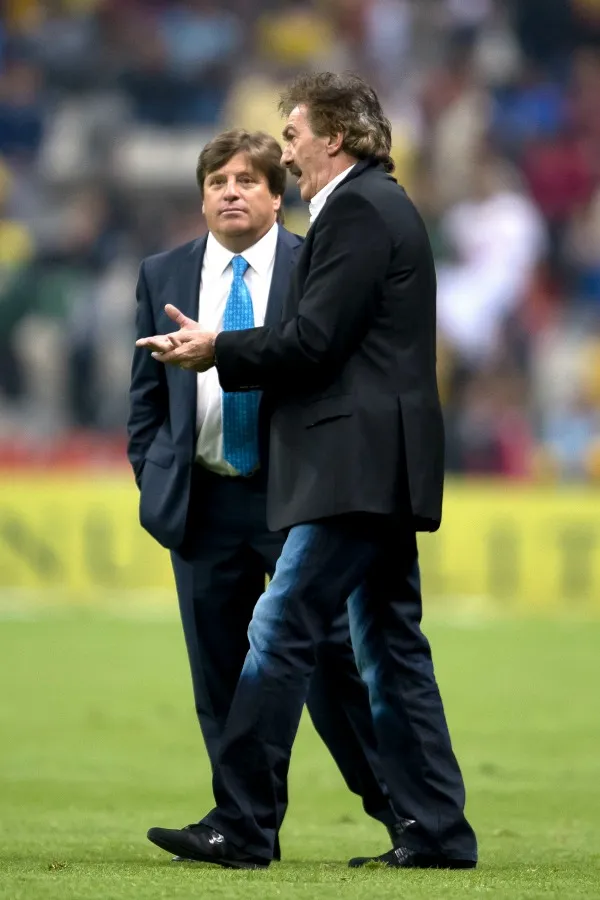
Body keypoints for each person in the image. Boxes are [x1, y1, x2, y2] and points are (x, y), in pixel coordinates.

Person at [139, 76, 478, 870]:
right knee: (390, 645)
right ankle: (435, 830)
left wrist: (218, 349)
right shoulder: (380, 206)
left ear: (335, 137)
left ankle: (243, 823)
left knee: (280, 627)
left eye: (292, 134)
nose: (285, 148)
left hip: (352, 464)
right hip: (376, 462)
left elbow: (315, 340)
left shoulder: (359, 208)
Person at [127, 128, 400, 862]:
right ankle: (242, 828)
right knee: (219, 673)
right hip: (204, 500)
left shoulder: (317, 267)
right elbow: (146, 403)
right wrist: (156, 479)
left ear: (277, 197)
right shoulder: (163, 274)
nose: (231, 191)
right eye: (217, 181)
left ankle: (402, 810)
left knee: (333, 664)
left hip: (295, 498)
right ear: (202, 197)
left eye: (248, 179)